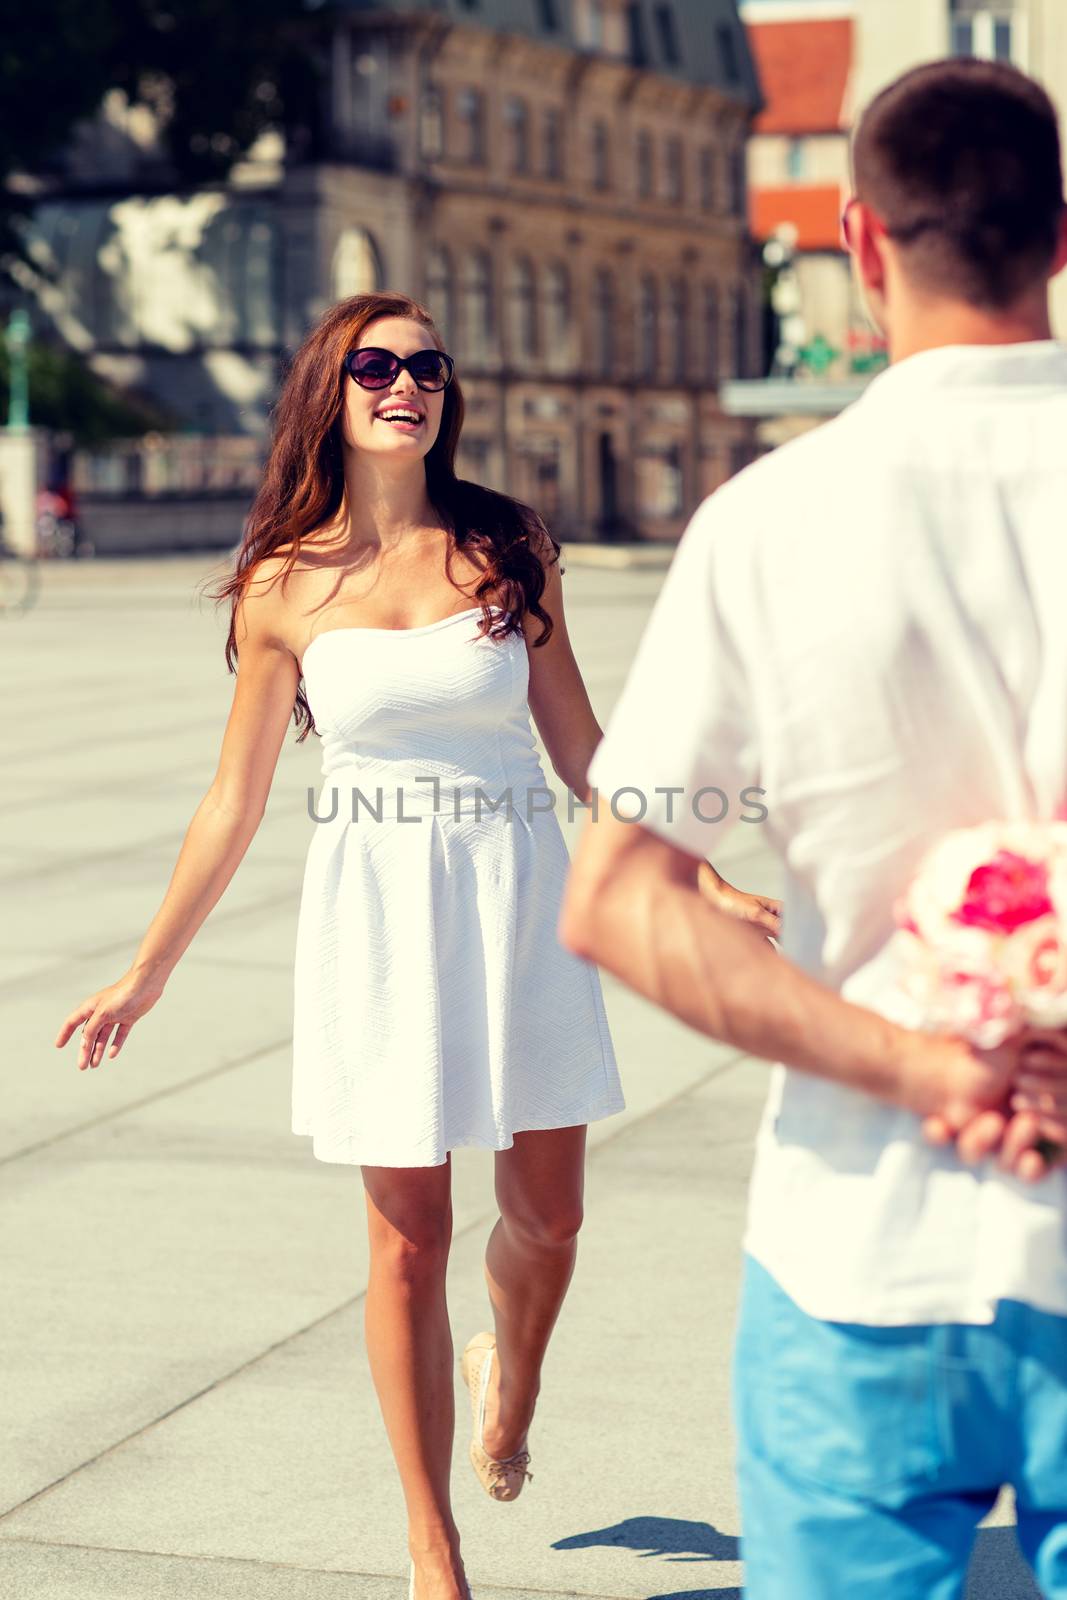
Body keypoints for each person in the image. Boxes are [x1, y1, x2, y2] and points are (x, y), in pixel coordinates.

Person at [53, 291, 773, 1600]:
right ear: (332, 389)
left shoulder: (507, 546)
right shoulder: (282, 584)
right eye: (380, 365)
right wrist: (147, 968)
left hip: (517, 901)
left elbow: (582, 750)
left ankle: (513, 1383)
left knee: (547, 1218)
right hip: (376, 920)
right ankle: (431, 1546)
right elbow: (235, 797)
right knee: (406, 1238)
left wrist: (698, 868)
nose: (409, 384)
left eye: (430, 366)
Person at [560, 58, 1067, 1600]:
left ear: (859, 239)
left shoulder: (778, 519)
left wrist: (923, 1063)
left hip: (864, 1241)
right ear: (1062, 236)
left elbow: (618, 905)